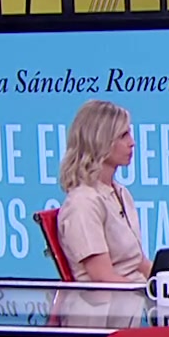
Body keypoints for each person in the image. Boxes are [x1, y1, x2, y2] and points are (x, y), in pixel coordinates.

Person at [56, 99, 149, 284]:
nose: (132, 143)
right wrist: (149, 293)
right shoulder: (83, 203)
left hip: (137, 296)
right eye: (123, 136)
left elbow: (141, 264)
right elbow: (103, 278)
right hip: (112, 300)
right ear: (100, 141)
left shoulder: (120, 193)